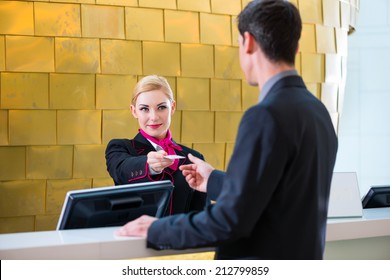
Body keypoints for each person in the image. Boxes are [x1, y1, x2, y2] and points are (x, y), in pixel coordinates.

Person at [115, 0, 338, 260]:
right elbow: (276, 197)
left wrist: (156, 228)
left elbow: (230, 220)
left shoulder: (265, 115)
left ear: (249, 42)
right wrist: (214, 180)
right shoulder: (318, 112)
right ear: (296, 47)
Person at [105, 75, 207, 215]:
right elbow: (122, 170)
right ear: (134, 111)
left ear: (172, 107)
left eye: (161, 107)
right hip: (137, 237)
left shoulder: (194, 158)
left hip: (181, 237)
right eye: (144, 109)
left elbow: (201, 215)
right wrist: (149, 165)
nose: (153, 117)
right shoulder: (120, 148)